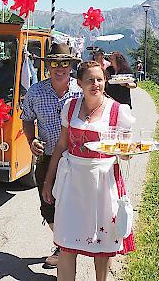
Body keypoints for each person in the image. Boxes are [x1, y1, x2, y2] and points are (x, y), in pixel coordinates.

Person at [42, 61, 136, 281]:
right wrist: (48, 181)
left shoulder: (118, 111)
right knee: (66, 243)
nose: (96, 84)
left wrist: (125, 150)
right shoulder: (71, 107)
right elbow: (61, 145)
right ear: (79, 83)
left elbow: (125, 152)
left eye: (100, 79)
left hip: (102, 181)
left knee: (102, 245)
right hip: (73, 180)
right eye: (90, 80)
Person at [21, 42, 82, 268]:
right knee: (48, 205)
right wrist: (31, 140)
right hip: (48, 158)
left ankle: (73, 245)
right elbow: (26, 118)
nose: (60, 68)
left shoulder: (81, 90)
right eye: (55, 63)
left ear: (71, 66)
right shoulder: (36, 92)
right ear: (48, 66)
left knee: (77, 204)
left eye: (64, 63)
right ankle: (63, 243)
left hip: (78, 160)